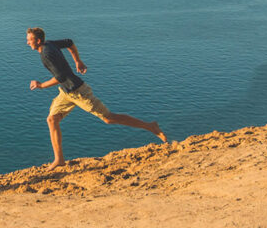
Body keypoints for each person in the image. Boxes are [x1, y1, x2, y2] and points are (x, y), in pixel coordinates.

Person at [26, 27, 169, 169]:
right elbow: (69, 42)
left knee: (108, 118)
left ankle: (151, 126)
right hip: (66, 92)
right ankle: (59, 159)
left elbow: (60, 76)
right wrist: (78, 61)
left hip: (78, 92)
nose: (27, 43)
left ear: (38, 40)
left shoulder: (46, 53)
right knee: (52, 119)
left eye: (29, 40)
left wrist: (42, 85)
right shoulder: (49, 44)